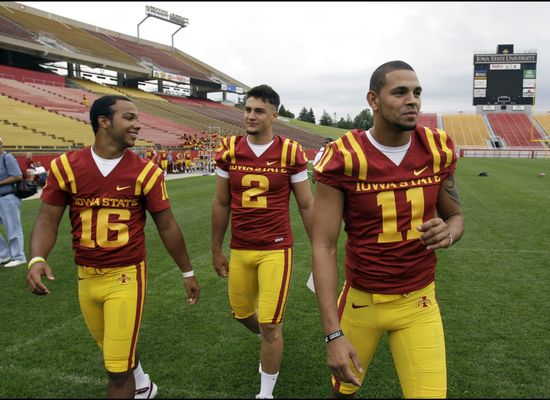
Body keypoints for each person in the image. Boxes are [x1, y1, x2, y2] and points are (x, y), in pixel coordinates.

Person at [26, 95, 201, 399]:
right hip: (86, 277)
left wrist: (187, 272)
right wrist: (37, 258)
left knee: (117, 370)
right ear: (103, 122)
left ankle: (137, 385)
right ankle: (144, 386)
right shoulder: (66, 166)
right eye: (129, 118)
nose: (137, 125)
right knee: (115, 354)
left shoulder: (146, 171)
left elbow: (167, 225)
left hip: (126, 276)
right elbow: (47, 219)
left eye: (137, 118)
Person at [311, 60, 464, 398]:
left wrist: (449, 232)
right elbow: (323, 246)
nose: (413, 100)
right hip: (361, 301)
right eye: (400, 92)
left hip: (419, 300)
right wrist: (333, 335)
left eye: (417, 92)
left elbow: (456, 216)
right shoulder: (345, 156)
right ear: (373, 100)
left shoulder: (437, 148)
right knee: (342, 392)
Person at [211, 84, 314, 399]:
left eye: (258, 111)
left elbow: (307, 205)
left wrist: (319, 251)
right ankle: (271, 337)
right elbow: (221, 203)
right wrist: (216, 248)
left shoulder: (289, 152)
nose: (250, 116)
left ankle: (265, 392)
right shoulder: (229, 149)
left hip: (275, 247)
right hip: (240, 247)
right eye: (247, 109)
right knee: (242, 314)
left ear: (274, 115)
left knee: (270, 324)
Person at [0, 137, 27, 267]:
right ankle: (4, 254)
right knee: (12, 227)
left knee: (12, 227)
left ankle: (19, 256)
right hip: (2, 197)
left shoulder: (7, 157)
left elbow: (17, 175)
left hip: (8, 197)